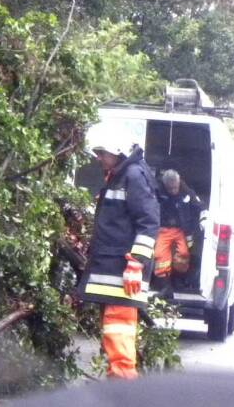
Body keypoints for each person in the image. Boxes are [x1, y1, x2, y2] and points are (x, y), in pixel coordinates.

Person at [78, 141, 160, 380]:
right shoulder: (119, 175)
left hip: (123, 271)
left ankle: (123, 390)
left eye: (102, 153)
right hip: (113, 268)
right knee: (113, 333)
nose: (98, 158)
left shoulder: (133, 176)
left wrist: (136, 262)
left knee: (119, 330)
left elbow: (149, 222)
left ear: (117, 151)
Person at [153, 169, 207, 291]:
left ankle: (179, 279)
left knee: (183, 254)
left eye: (175, 187)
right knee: (160, 255)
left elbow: (199, 205)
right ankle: (163, 284)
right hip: (163, 229)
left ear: (178, 182)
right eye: (170, 188)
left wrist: (203, 219)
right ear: (165, 185)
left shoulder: (186, 191)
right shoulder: (157, 191)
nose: (173, 191)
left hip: (182, 230)